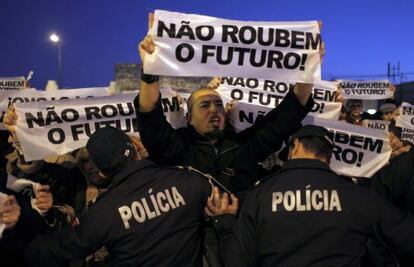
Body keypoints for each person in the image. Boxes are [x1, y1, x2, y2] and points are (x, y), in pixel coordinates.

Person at [206, 125, 414, 267]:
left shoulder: (259, 196)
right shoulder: (356, 196)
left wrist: (224, 221)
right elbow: (406, 236)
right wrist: (398, 167)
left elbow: (236, 261)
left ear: (295, 146)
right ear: (329, 155)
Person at [135, 35, 315, 193]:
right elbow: (150, 116)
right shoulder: (177, 147)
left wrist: (308, 67)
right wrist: (150, 68)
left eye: (219, 104)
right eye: (205, 105)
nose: (214, 110)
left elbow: (285, 116)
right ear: (188, 118)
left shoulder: (242, 147)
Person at [25, 127, 213, 267]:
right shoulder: (189, 180)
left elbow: (60, 249)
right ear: (134, 147)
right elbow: (229, 209)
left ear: (102, 171)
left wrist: (15, 234)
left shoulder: (102, 213)